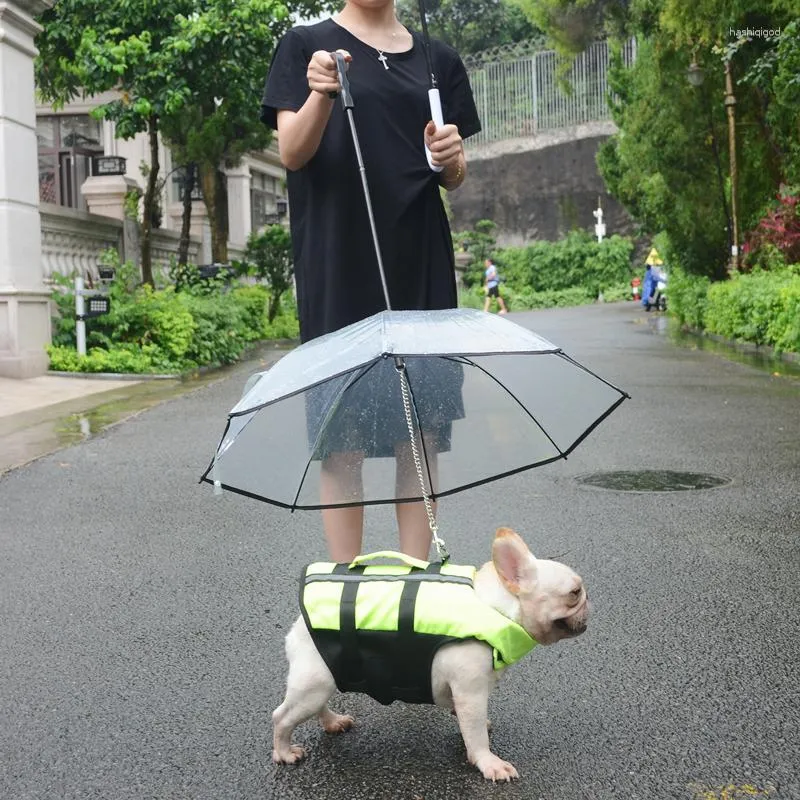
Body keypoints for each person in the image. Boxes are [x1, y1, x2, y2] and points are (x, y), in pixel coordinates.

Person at [260, 0, 481, 562]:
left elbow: (453, 176)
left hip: (419, 252)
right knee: (343, 435)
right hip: (338, 255)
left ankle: (415, 582)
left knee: (422, 426)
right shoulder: (306, 45)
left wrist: (451, 159)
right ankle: (345, 590)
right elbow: (292, 151)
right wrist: (320, 94)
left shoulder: (439, 58)